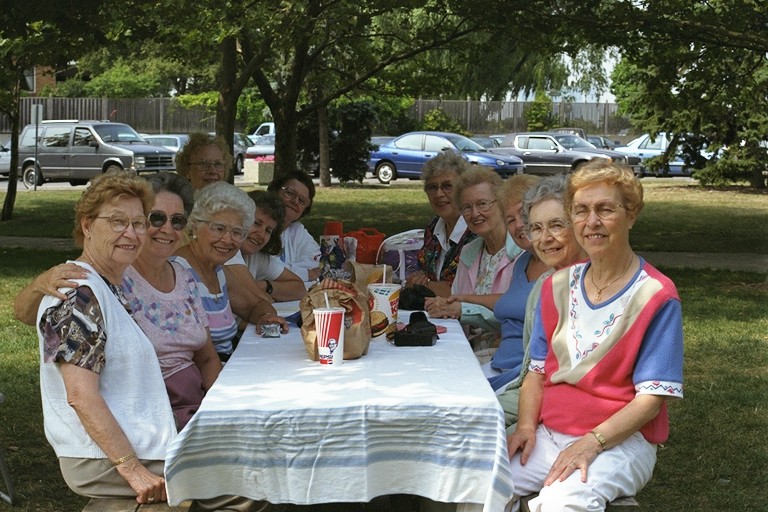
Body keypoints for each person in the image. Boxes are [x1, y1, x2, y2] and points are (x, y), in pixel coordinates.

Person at [507, 161, 684, 511]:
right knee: (483, 480)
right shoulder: (557, 286)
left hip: (620, 442)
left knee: (563, 501)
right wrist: (526, 426)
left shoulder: (656, 295)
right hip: (550, 433)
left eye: (605, 209)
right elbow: (537, 372)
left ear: (630, 215)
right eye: (581, 211)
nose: (592, 222)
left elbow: (650, 400)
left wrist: (593, 441)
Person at [15, 173, 222, 432]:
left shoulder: (183, 274)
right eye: (156, 218)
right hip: (152, 415)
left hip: (193, 403)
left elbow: (207, 357)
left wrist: (218, 408)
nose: (168, 229)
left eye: (177, 221)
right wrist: (39, 284)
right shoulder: (110, 275)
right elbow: (28, 314)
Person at [33, 171, 176, 504]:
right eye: (117, 222)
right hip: (100, 457)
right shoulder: (79, 298)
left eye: (139, 223)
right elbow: (80, 396)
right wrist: (133, 469)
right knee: (233, 484)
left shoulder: (107, 287)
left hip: (137, 444)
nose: (131, 233)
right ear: (87, 226)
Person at [494, 174, 587, 432]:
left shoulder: (595, 286)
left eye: (556, 225)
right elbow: (531, 368)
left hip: (567, 410)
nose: (544, 238)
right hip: (529, 394)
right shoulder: (544, 285)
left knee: (491, 445)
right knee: (473, 426)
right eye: (536, 228)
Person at [173, 182, 287, 362]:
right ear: (195, 225)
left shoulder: (219, 272)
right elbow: (198, 358)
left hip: (227, 368)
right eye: (219, 229)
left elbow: (257, 305)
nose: (227, 239)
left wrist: (265, 318)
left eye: (237, 232)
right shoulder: (178, 273)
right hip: (204, 380)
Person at [425, 167, 523, 360]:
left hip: (506, 356)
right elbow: (457, 300)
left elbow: (518, 314)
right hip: (467, 351)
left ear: (501, 204)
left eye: (483, 204)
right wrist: (444, 305)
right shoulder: (469, 252)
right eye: (467, 208)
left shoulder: (522, 252)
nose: (475, 213)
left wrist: (463, 310)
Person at [484, 174, 545, 392]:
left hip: (520, 379)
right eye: (510, 220)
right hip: (496, 366)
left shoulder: (561, 267)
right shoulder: (522, 262)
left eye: (523, 213)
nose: (519, 225)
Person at [405, 152, 477, 297]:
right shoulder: (433, 227)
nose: (439, 194)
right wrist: (420, 279)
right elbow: (424, 273)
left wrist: (424, 285)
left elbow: (464, 290)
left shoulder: (476, 230)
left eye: (447, 186)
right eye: (432, 187)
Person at [241, 190, 306, 301]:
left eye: (268, 230)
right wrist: (262, 296)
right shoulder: (226, 253)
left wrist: (266, 286)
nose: (261, 234)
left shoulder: (256, 256)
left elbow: (300, 289)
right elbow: (245, 295)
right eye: (256, 223)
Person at [267, 171, 321, 282]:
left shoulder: (297, 231)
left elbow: (317, 266)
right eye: (290, 193)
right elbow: (263, 270)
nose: (295, 201)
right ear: (275, 191)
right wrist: (306, 274)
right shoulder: (258, 227)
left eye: (302, 201)